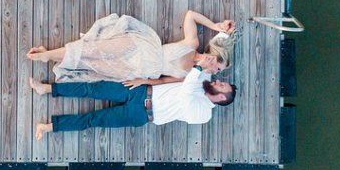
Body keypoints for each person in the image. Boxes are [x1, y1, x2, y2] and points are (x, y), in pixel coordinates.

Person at [29, 64, 236, 140]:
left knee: (94, 120)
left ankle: (49, 127)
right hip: (141, 91)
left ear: (219, 98)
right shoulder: (203, 80)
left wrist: (198, 69)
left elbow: (186, 95)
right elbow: (174, 80)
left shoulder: (203, 114)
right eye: (222, 82)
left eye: (222, 86)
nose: (218, 82)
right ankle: (46, 88)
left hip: (142, 114)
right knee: (93, 88)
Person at [26, 9, 237, 83]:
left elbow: (163, 81)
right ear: (215, 54)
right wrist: (215, 25)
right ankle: (47, 56)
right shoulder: (193, 44)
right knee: (94, 51)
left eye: (217, 70)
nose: (214, 66)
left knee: (91, 64)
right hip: (142, 48)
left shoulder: (191, 76)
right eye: (218, 62)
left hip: (140, 70)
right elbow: (191, 15)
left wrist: (142, 81)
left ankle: (50, 55)